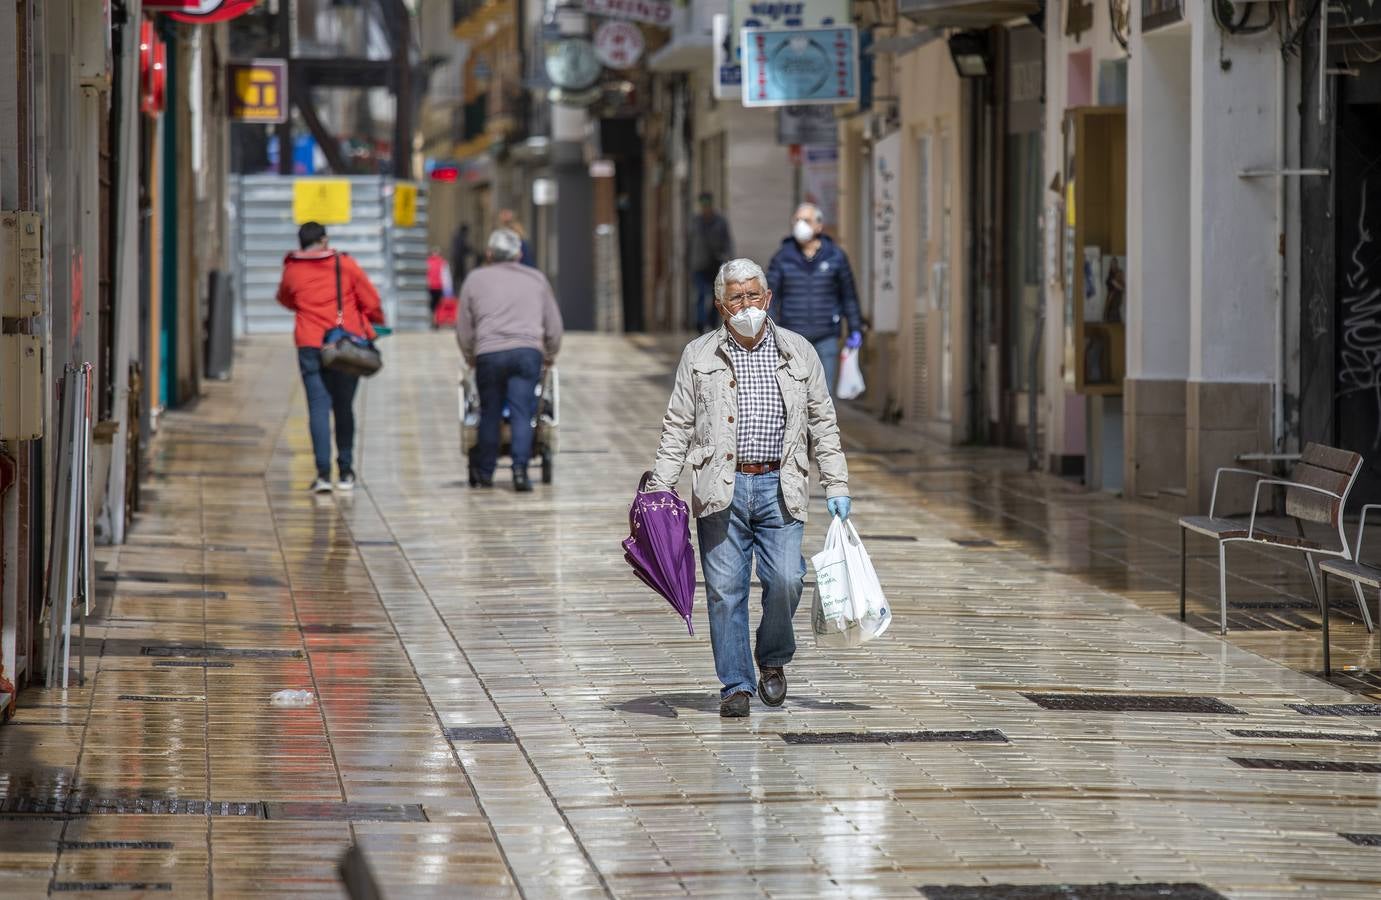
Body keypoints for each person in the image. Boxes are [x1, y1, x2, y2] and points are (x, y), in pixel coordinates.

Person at [646, 257, 851, 718]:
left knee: (786, 579)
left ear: (768, 298)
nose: (746, 304)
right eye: (736, 297)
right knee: (724, 589)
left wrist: (836, 480)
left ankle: (773, 658)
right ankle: (735, 684)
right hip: (721, 486)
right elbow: (677, 424)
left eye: (753, 295)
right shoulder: (698, 355)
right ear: (721, 305)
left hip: (783, 483)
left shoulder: (799, 351)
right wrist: (661, 485)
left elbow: (823, 420)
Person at [275, 221, 385, 494]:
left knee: (317, 408)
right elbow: (371, 301)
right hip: (343, 344)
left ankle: (323, 475)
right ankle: (346, 471)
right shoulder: (343, 264)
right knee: (344, 406)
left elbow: (286, 299)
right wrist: (375, 323)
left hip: (310, 344)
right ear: (323, 241)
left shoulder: (292, 269)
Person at [456, 228, 564, 492]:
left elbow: (464, 326)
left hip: (488, 353)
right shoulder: (536, 279)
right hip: (527, 352)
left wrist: (471, 354)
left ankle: (485, 472)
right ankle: (519, 471)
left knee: (489, 411)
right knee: (522, 411)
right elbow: (553, 325)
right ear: (518, 254)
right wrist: (549, 354)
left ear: (490, 254)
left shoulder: (475, 279)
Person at [766, 203, 863, 395]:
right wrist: (768, 329)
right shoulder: (782, 257)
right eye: (797, 220)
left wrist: (855, 328)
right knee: (794, 397)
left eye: (807, 220)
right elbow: (769, 296)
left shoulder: (835, 256)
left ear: (819, 226)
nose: (801, 225)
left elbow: (848, 296)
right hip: (791, 339)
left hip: (826, 336)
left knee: (824, 398)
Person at [688, 192, 734, 332]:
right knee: (701, 295)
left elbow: (727, 242)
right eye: (703, 205)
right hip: (699, 265)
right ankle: (700, 325)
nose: (705, 208)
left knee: (716, 296)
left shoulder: (720, 221)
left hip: (716, 265)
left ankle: (713, 323)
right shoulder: (695, 222)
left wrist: (728, 263)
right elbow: (689, 244)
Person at [426, 247, 453, 326]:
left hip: (438, 287)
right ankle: (433, 320)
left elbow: (446, 276)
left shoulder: (442, 262)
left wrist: (448, 288)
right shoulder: (428, 262)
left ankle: (435, 320)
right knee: (432, 305)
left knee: (436, 305)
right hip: (431, 287)